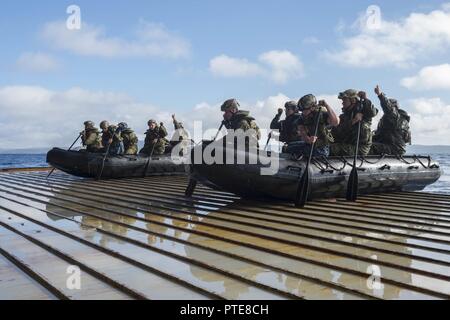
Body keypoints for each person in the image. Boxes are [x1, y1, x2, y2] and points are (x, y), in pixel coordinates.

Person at [330, 89, 378, 156]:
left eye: (345, 100)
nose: (342, 103)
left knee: (331, 149)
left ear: (353, 100)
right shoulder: (344, 116)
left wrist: (365, 99)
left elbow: (372, 112)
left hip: (360, 148)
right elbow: (337, 131)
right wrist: (353, 121)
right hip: (349, 144)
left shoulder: (363, 111)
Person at [370, 85, 411, 155]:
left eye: (391, 105)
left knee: (368, 147)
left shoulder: (396, 117)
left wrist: (380, 95)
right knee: (365, 144)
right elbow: (379, 136)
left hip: (394, 148)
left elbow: (388, 108)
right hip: (388, 146)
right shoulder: (388, 120)